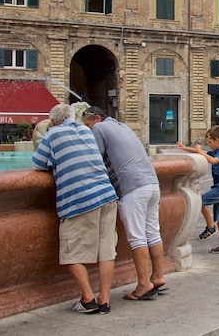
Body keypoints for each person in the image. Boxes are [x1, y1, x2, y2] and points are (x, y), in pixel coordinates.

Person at [32, 103, 119, 314]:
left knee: (71, 253)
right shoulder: (87, 132)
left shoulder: (52, 135)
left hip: (79, 200)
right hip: (107, 196)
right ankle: (104, 300)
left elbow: (38, 164)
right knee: (106, 250)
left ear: (53, 121)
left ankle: (88, 299)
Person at [82, 106, 165, 300]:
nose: (87, 130)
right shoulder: (122, 126)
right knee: (153, 232)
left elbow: (95, 158)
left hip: (132, 188)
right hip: (152, 184)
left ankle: (144, 284)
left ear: (96, 119)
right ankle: (158, 276)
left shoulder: (99, 129)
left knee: (137, 238)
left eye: (87, 124)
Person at [177, 126, 219, 253]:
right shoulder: (218, 149)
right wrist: (184, 148)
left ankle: (210, 227)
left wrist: (201, 151)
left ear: (217, 140)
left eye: (210, 142)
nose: (209, 145)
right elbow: (203, 153)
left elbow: (213, 161)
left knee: (200, 201)